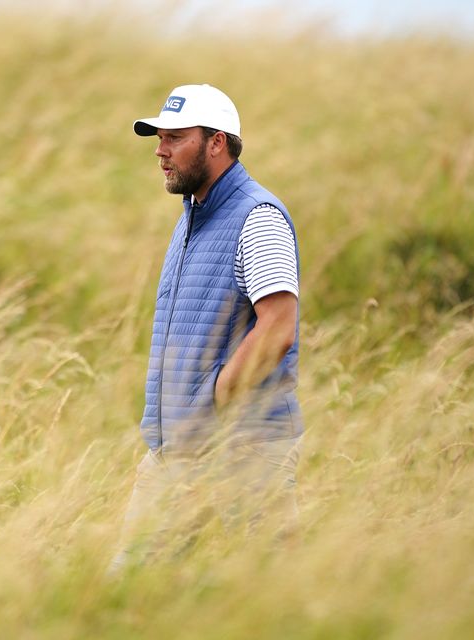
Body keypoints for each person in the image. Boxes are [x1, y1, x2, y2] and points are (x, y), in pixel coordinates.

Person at [110, 84, 305, 572]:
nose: (160, 150)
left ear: (216, 143)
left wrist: (219, 397)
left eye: (174, 137)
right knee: (131, 587)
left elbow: (278, 326)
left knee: (269, 597)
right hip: (175, 451)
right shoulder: (192, 218)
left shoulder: (257, 218)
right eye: (159, 137)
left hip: (246, 449)